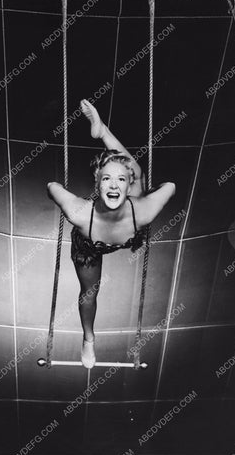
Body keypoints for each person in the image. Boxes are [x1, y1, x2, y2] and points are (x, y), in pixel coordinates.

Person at [47, 99, 175, 368]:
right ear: (97, 185)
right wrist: (66, 196)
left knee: (138, 172)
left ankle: (102, 131)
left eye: (120, 180)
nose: (113, 185)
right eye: (106, 179)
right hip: (89, 244)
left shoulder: (144, 210)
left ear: (127, 189)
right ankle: (89, 339)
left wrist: (143, 190)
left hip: (131, 219)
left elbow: (170, 186)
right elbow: (52, 186)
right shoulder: (80, 214)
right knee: (89, 293)